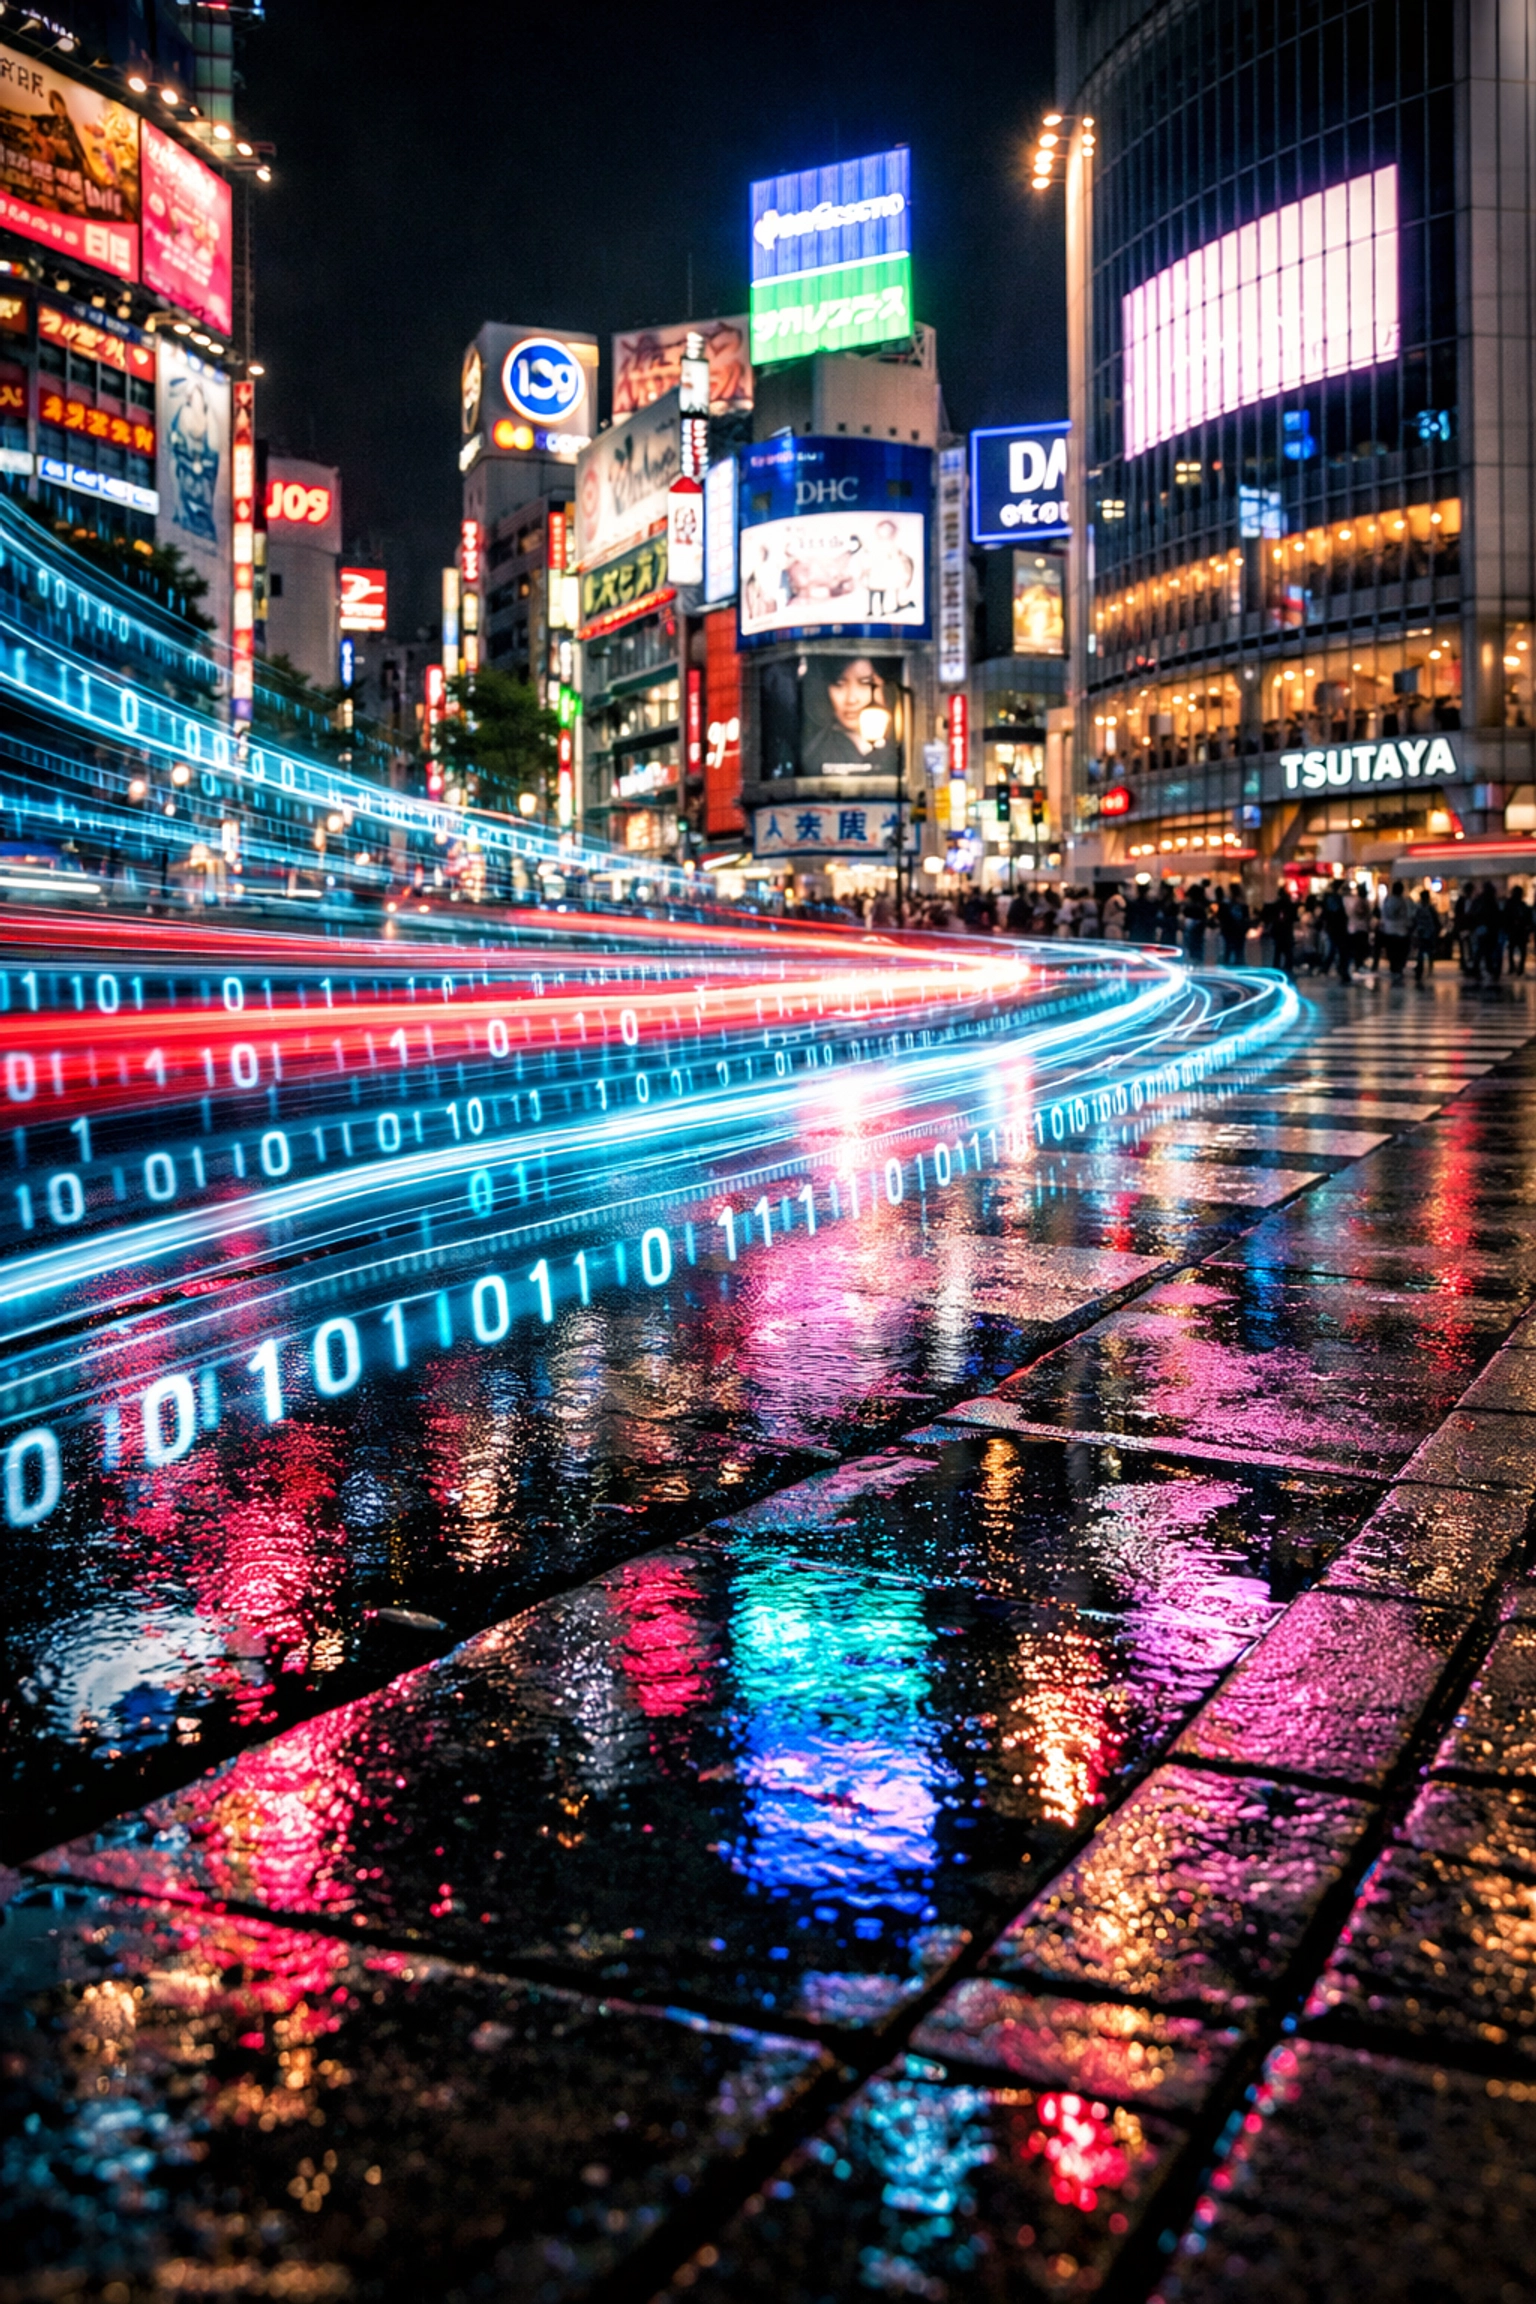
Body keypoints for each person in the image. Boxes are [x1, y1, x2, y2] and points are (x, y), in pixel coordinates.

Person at [1470, 879, 1505, 980]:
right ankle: (1488, 968)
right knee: (1487, 949)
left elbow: (1474, 913)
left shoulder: (1480, 900)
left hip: (1484, 928)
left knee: (1482, 949)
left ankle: (1480, 968)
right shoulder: (1491, 900)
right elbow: (1496, 914)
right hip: (1490, 928)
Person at [1379, 879, 1412, 981]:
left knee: (1392, 952)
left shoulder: (1387, 901)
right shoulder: (1404, 902)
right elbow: (1408, 916)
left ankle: (1393, 968)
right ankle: (1399, 969)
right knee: (1401, 952)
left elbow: (1383, 914)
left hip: (1389, 930)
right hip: (1401, 931)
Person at [1320, 882, 1352, 980]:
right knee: (1341, 950)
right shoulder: (1336, 899)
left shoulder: (1331, 899)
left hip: (1334, 928)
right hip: (1338, 928)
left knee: (1334, 950)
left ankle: (1327, 968)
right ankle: (1342, 971)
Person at [1265, 884, 1297, 977]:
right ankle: (1288, 970)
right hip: (1286, 931)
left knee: (1278, 952)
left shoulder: (1277, 904)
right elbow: (1294, 918)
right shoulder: (1289, 905)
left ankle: (1276, 971)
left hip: (1278, 932)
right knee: (1287, 953)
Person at [1217, 880, 1250, 966]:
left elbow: (1220, 916)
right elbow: (1246, 917)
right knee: (1239, 951)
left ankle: (1226, 967)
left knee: (1227, 950)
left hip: (1228, 930)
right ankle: (1239, 967)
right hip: (1238, 930)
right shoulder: (1242, 904)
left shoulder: (1225, 904)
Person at [1412, 889, 1440, 985]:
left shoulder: (1418, 908)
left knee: (1421, 951)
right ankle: (1429, 968)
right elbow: (1436, 920)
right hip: (1429, 931)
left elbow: (1414, 920)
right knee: (1429, 951)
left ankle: (1420, 967)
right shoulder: (1430, 908)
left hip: (1421, 931)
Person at [1503, 883, 1532, 976]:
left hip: (1516, 931)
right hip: (1518, 931)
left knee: (1515, 949)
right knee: (1519, 950)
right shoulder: (1520, 905)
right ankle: (1518, 968)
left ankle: (1516, 968)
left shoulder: (1514, 904)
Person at [1347, 881, 1373, 974]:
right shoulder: (1361, 901)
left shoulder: (1358, 901)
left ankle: (1359, 964)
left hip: (1359, 928)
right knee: (1360, 948)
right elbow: (1360, 913)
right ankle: (1359, 965)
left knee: (1360, 948)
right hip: (1360, 928)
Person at [1181, 879, 1209, 965]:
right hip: (1198, 934)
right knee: (1197, 950)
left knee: (1191, 949)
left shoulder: (1189, 908)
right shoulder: (1202, 908)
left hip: (1191, 933)